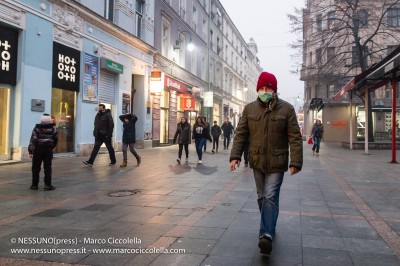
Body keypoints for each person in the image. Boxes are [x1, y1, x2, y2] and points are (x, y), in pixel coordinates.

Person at [229, 71, 303, 255]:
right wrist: (235, 156)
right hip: (256, 160)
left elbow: (294, 137)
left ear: (274, 90)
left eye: (267, 88)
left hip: (277, 161)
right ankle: (270, 224)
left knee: (270, 195)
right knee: (262, 197)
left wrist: (296, 161)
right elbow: (241, 134)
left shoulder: (287, 109)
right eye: (261, 88)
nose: (264, 91)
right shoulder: (249, 109)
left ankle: (266, 235)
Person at [28, 113, 58, 191]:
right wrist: (52, 146)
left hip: (38, 149)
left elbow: (33, 139)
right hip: (48, 150)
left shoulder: (37, 128)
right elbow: (55, 139)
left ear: (41, 120)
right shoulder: (53, 128)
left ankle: (34, 185)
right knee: (47, 167)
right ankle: (47, 185)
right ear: (49, 120)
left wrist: (31, 150)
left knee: (35, 167)